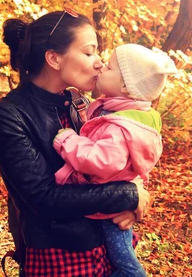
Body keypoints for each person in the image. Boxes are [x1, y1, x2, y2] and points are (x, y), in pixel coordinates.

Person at [0, 9, 151, 277]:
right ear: (54, 58)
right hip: (60, 257)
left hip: (107, 248)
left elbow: (116, 161)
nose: (98, 63)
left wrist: (132, 201)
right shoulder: (7, 116)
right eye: (88, 52)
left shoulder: (79, 102)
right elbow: (44, 199)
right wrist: (128, 195)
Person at [52, 43, 178, 276]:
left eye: (109, 67)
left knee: (125, 263)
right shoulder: (118, 111)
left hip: (110, 210)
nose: (100, 66)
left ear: (125, 86)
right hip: (108, 201)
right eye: (90, 54)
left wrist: (67, 140)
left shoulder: (120, 124)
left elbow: (102, 161)